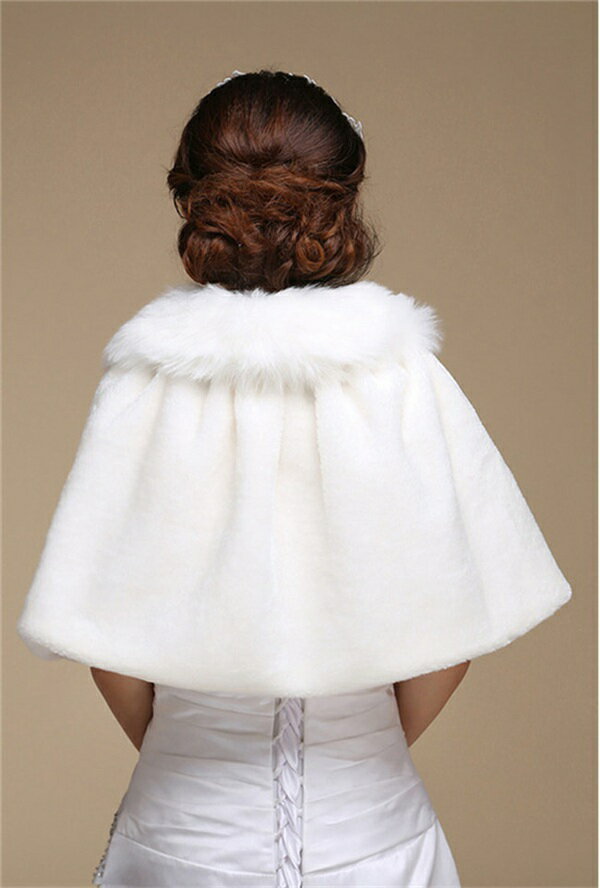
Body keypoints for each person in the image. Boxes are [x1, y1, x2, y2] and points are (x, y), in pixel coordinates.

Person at [16, 69, 572, 888]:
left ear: (194, 197)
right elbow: (454, 629)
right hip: (376, 839)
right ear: (342, 197)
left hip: (183, 840)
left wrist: (191, 758)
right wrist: (358, 759)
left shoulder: (149, 383)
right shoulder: (402, 376)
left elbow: (106, 644)